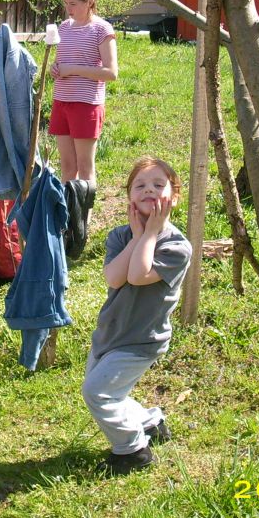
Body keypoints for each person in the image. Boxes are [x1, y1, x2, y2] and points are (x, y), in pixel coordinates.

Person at [82, 156, 192, 475]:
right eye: (140, 185)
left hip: (142, 339)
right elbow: (115, 278)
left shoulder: (176, 247)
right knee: (105, 390)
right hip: (111, 332)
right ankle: (150, 421)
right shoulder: (119, 236)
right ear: (129, 195)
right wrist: (137, 235)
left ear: (175, 196)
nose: (149, 191)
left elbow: (138, 275)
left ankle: (132, 451)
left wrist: (149, 234)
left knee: (98, 393)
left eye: (159, 185)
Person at [48, 0, 118, 186]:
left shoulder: (102, 29)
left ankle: (83, 218)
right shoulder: (63, 28)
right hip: (61, 101)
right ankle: (68, 215)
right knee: (67, 166)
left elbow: (111, 72)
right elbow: (63, 62)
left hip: (86, 104)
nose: (69, 9)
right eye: (66, 4)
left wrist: (73, 70)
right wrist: (56, 68)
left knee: (85, 167)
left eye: (73, 4)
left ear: (89, 2)